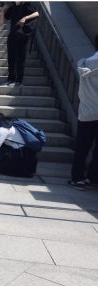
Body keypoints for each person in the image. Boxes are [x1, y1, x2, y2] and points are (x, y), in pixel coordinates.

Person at [68, 34, 98, 190]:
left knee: (81, 148)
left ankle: (77, 178)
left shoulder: (84, 62)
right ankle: (93, 178)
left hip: (86, 112)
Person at [0, 109, 38, 177]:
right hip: (26, 152)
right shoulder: (5, 122)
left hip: (23, 156)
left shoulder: (1, 129)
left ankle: (22, 169)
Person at [1, 2, 39, 87]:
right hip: (12, 35)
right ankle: (10, 79)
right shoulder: (12, 7)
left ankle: (19, 81)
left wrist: (25, 18)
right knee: (11, 58)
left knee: (20, 58)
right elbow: (3, 21)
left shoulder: (26, 5)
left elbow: (37, 13)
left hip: (21, 35)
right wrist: (3, 10)